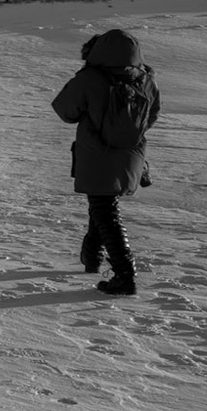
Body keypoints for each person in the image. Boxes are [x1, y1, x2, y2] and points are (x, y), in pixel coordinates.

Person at [51, 28, 160, 295]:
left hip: (96, 152)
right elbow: (153, 114)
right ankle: (91, 259)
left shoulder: (90, 78)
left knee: (104, 210)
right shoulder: (146, 78)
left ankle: (125, 275)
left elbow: (65, 110)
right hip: (132, 154)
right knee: (102, 204)